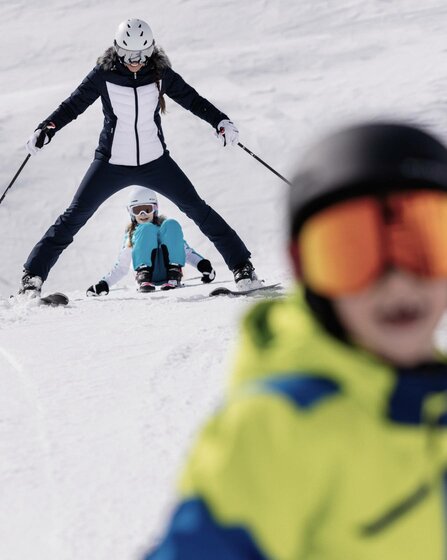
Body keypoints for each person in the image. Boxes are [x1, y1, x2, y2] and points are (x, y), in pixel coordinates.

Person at [143, 122, 447, 559]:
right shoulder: (281, 426)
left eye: (425, 243)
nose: (396, 282)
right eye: (350, 250)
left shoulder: (432, 402)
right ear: (304, 269)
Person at [20, 18, 261, 296]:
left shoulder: (160, 73)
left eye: (142, 55)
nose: (135, 61)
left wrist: (220, 121)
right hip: (111, 162)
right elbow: (73, 105)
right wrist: (46, 129)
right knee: (74, 216)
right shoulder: (103, 74)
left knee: (197, 209)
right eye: (128, 55)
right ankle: (33, 276)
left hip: (155, 161)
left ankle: (242, 267)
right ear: (117, 50)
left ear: (151, 50)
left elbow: (192, 99)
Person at [86, 186, 216, 294]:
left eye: (147, 209)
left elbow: (184, 251)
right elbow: (121, 266)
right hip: (147, 275)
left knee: (171, 224)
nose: (143, 214)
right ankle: (144, 275)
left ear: (155, 209)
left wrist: (202, 264)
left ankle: (174, 274)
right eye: (137, 210)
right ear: (131, 213)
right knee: (145, 229)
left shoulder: (165, 229)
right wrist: (104, 284)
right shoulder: (133, 234)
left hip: (170, 272)